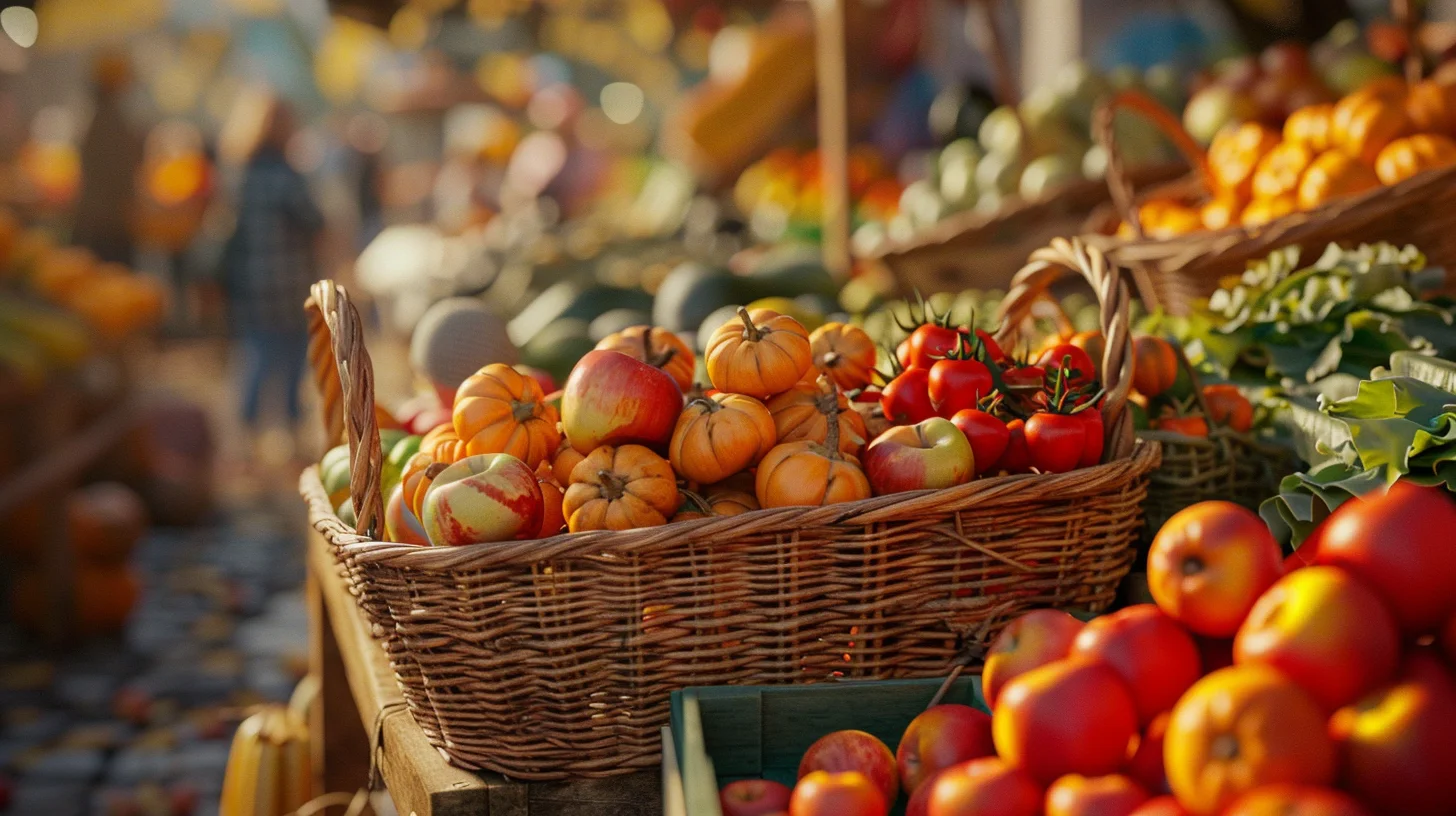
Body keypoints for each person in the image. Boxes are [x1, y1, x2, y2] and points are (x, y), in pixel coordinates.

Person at [220, 90, 323, 464]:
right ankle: (292, 438)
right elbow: (314, 220)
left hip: (251, 283)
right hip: (290, 283)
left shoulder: (241, 175)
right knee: (293, 359)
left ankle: (245, 441)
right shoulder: (285, 175)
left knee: (257, 358)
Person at [73, 52, 143, 265]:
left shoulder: (100, 115)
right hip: (107, 223)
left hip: (98, 218)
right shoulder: (109, 121)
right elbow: (118, 174)